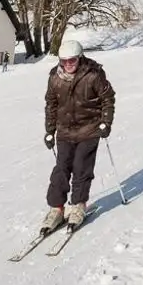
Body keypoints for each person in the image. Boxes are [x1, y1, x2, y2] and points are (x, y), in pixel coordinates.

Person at [40, 38, 116, 234]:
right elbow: (51, 104)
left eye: (72, 61)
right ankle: (57, 209)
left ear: (80, 58)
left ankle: (79, 205)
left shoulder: (93, 74)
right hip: (65, 130)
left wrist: (105, 123)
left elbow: (107, 98)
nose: (68, 65)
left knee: (81, 166)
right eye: (64, 61)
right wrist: (49, 131)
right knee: (61, 168)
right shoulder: (54, 77)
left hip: (89, 129)